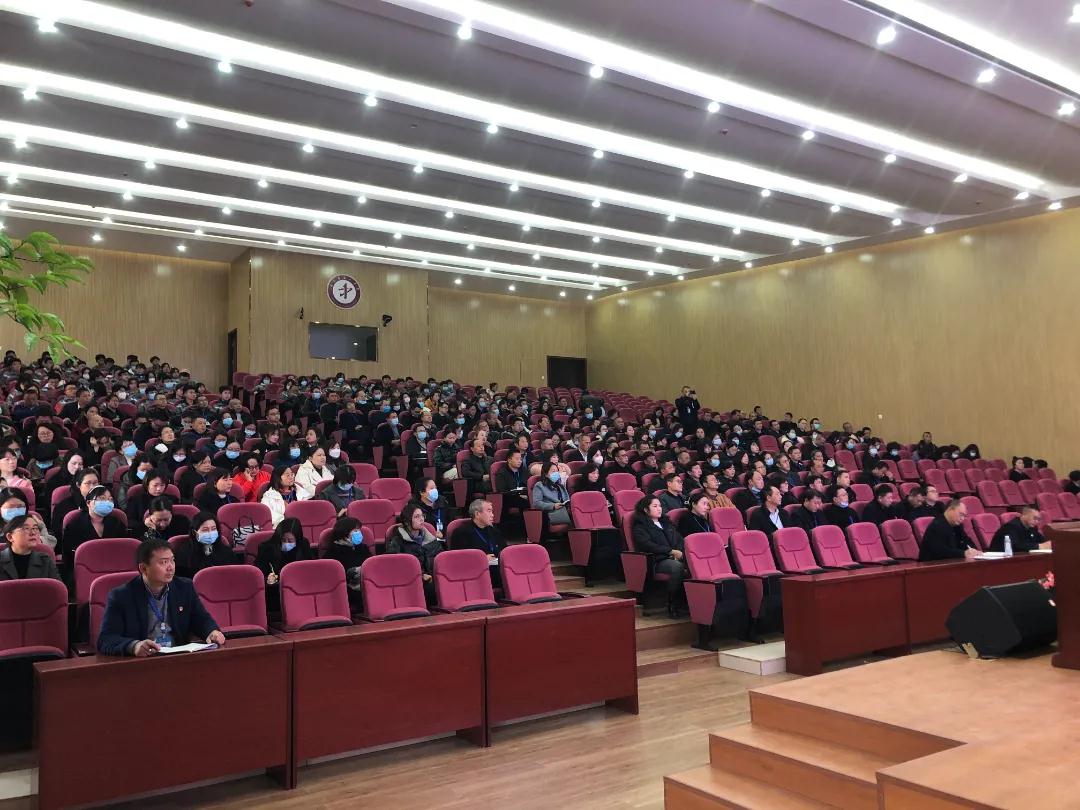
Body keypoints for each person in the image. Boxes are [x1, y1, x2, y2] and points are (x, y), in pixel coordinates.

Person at [97, 538, 226, 656]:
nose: (170, 567)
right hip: (141, 662)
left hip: (177, 657)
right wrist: (134, 646)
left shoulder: (184, 588)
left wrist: (211, 631)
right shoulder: (121, 596)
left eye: (172, 560)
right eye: (163, 562)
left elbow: (201, 619)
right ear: (143, 568)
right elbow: (106, 639)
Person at [631, 495, 687, 617]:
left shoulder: (666, 523)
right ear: (646, 509)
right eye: (655, 506)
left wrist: (678, 551)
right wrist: (670, 552)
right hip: (657, 560)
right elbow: (647, 545)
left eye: (660, 506)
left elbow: (679, 539)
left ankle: (688, 603)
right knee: (677, 567)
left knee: (693, 565)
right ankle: (672, 602)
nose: (659, 509)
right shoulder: (640, 526)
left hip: (675, 555)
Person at [386, 503, 442, 604]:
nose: (421, 519)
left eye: (422, 516)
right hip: (411, 582)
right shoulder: (397, 541)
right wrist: (421, 576)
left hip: (433, 578)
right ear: (407, 521)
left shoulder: (431, 539)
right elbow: (395, 567)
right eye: (417, 517)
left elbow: (441, 560)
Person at [255, 517, 314, 613]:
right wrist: (267, 578)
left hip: (299, 588)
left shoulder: (303, 545)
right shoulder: (266, 547)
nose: (286, 543)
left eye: (290, 541)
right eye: (283, 540)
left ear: (297, 539)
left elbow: (309, 568)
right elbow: (258, 574)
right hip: (274, 592)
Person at [62, 484, 127, 557]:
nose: (107, 502)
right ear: (88, 503)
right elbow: (69, 555)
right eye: (102, 498)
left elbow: (124, 550)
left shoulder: (117, 523)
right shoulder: (74, 526)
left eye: (110, 499)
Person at [322, 516, 371, 609]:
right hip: (346, 591)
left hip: (366, 585)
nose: (359, 533)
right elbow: (331, 577)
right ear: (345, 533)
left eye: (359, 530)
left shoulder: (363, 548)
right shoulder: (333, 551)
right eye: (355, 531)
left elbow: (371, 566)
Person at [173, 512, 235, 579]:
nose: (210, 533)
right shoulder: (185, 552)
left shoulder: (226, 551)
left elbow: (233, 574)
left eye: (213, 529)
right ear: (194, 532)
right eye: (205, 530)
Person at [0, 514, 61, 581]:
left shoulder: (45, 561)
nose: (33, 533)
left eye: (35, 528)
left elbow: (57, 586)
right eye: (26, 528)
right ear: (10, 537)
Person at [531, 461, 571, 529]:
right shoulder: (539, 485)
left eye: (557, 471)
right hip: (551, 512)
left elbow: (567, 500)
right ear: (546, 474)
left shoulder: (560, 486)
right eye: (553, 471)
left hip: (564, 510)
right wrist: (553, 506)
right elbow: (537, 503)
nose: (556, 473)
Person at [494, 448, 530, 524]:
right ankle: (526, 526)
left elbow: (528, 486)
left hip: (524, 495)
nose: (520, 461)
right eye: (517, 459)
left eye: (521, 459)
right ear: (509, 460)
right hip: (509, 498)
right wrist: (518, 495)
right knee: (527, 503)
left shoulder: (524, 471)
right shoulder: (502, 473)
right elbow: (502, 491)